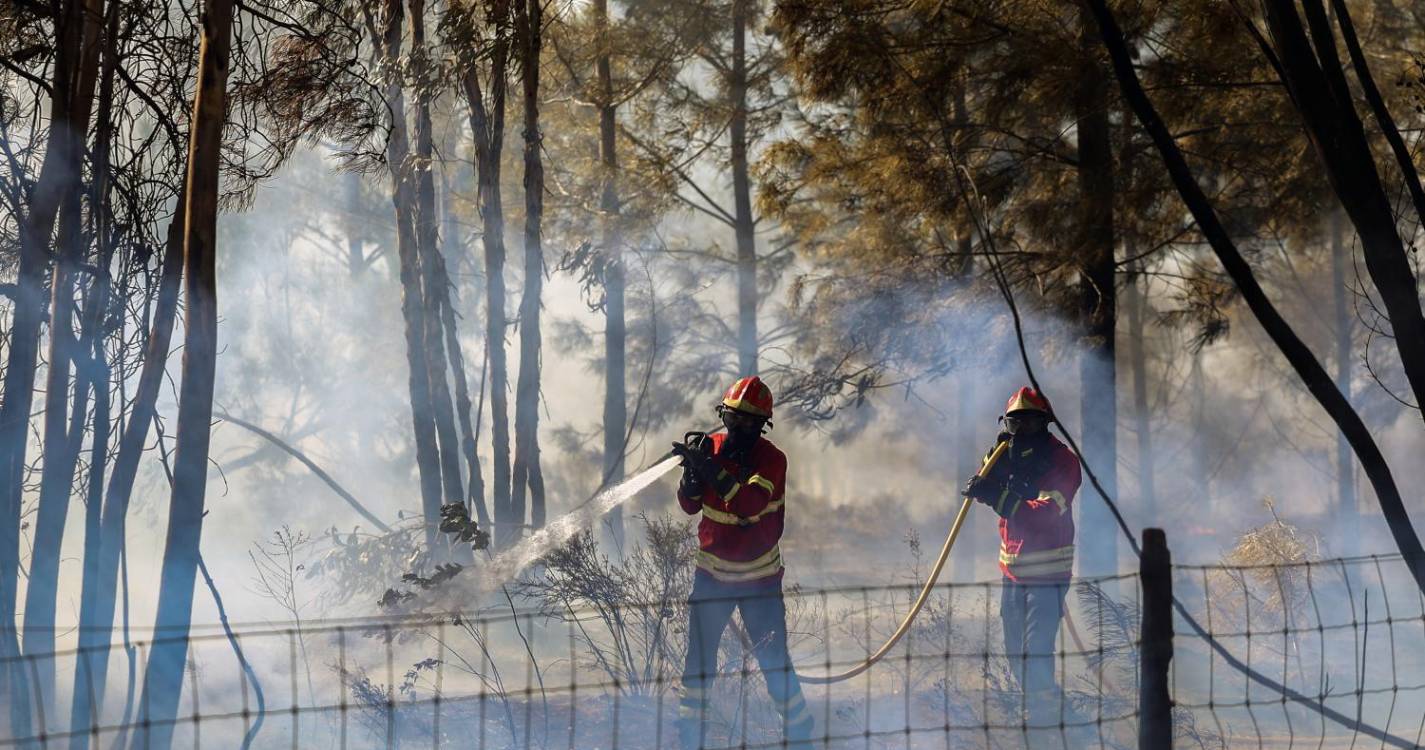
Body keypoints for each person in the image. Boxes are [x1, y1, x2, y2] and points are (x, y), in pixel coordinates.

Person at [670, 375, 814, 749]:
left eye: (748, 422)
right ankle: (690, 738)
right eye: (733, 418)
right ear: (724, 415)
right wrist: (691, 476)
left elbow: (748, 503)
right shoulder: (713, 448)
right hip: (711, 580)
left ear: (762, 424)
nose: (738, 427)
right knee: (698, 665)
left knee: (773, 663)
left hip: (759, 584)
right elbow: (689, 507)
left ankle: (800, 734)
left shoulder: (771, 460)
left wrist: (711, 469)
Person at [962, 386, 1082, 731]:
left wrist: (996, 495)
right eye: (1016, 424)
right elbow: (991, 483)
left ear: (1046, 424)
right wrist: (989, 472)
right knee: (1016, 654)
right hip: (1012, 576)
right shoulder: (1006, 454)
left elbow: (1044, 514)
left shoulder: (1063, 461)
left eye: (1031, 423)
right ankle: (1064, 719)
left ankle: (1047, 722)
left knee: (1035, 653)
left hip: (1048, 577)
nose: (1023, 432)